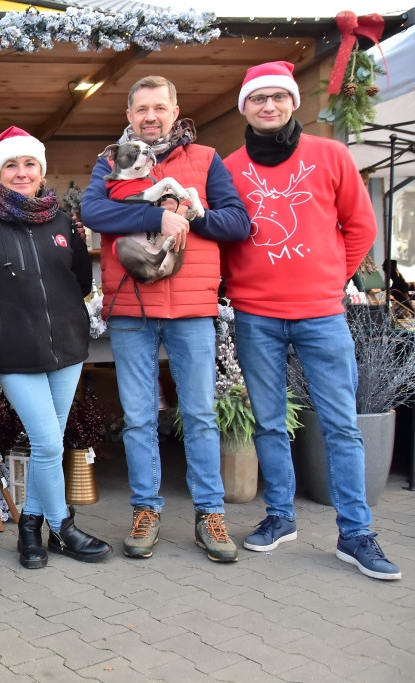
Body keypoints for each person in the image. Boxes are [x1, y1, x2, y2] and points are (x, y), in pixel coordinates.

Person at [223, 61, 402, 580]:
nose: (269, 106)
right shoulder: (230, 168)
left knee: (341, 425)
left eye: (278, 97)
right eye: (259, 99)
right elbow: (226, 232)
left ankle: (356, 533)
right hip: (256, 315)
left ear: (292, 102)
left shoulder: (330, 155)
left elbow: (360, 225)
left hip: (322, 315)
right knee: (269, 421)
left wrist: (329, 281)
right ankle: (280, 516)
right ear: (246, 107)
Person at [80, 76, 250, 563]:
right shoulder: (111, 160)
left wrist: (191, 215)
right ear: (129, 114)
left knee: (197, 415)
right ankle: (146, 509)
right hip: (132, 308)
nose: (150, 116)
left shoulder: (206, 161)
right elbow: (93, 212)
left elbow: (237, 222)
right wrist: (154, 217)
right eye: (141, 109)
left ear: (176, 110)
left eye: (159, 107)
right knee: (137, 418)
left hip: (191, 309)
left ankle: (209, 513)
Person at [0, 126, 112, 569]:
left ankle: (29, 527)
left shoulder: (63, 222)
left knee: (50, 443)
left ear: (41, 171)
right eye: (11, 165)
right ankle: (62, 527)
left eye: (29, 165)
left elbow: (81, 280)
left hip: (67, 352)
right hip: (14, 357)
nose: (21, 173)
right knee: (46, 443)